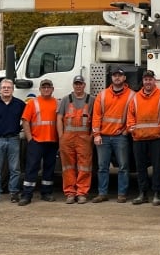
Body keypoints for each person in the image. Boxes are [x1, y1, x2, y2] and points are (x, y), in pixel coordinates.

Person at [91, 67, 135, 203]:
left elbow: (134, 115)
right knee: (102, 167)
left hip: (120, 137)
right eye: (115, 75)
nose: (117, 78)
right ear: (111, 78)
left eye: (120, 76)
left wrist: (126, 131)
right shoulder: (102, 95)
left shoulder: (132, 95)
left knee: (123, 166)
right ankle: (102, 193)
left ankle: (122, 194)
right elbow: (96, 116)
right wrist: (96, 134)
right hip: (103, 136)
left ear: (124, 78)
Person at [127, 69, 160, 206]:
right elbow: (130, 115)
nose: (148, 82)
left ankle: (157, 194)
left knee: (157, 167)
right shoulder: (136, 97)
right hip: (139, 138)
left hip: (157, 138)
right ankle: (142, 193)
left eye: (150, 79)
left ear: (154, 81)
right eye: (146, 79)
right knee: (141, 167)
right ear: (143, 81)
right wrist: (131, 128)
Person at [0, 79, 26, 204]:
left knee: (15, 169)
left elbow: (26, 119)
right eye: (4, 87)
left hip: (13, 139)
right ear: (0, 89)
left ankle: (14, 193)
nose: (6, 89)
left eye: (9, 87)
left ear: (13, 89)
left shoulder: (20, 104)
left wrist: (21, 128)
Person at [19, 79, 59, 206]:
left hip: (52, 141)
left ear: (52, 89)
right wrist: (30, 138)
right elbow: (25, 121)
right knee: (31, 168)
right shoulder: (32, 103)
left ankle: (46, 193)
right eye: (44, 87)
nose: (46, 89)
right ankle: (27, 195)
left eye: (48, 87)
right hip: (36, 141)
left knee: (49, 168)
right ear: (40, 89)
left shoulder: (57, 103)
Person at [56, 75, 95, 204]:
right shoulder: (66, 100)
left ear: (84, 85)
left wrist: (91, 137)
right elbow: (59, 118)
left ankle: (82, 193)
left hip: (84, 139)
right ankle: (70, 193)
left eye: (80, 84)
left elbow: (96, 119)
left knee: (85, 166)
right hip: (67, 138)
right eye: (76, 84)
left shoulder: (91, 100)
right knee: (68, 167)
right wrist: (61, 137)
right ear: (73, 85)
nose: (78, 86)